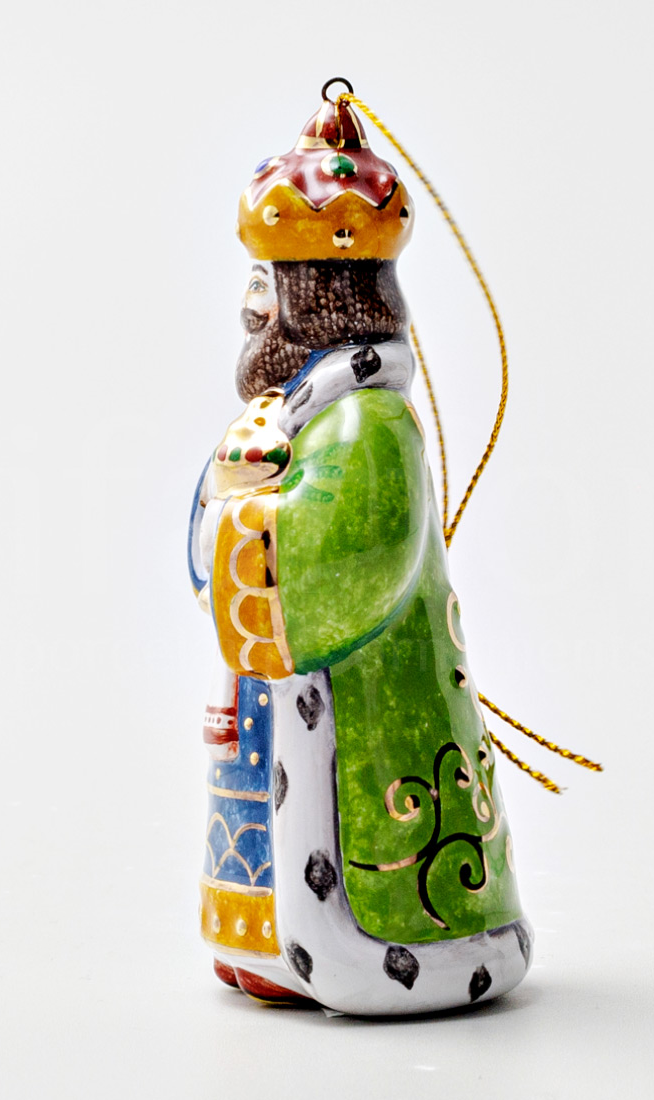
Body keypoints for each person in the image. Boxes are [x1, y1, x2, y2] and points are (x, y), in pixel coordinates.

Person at [187, 93, 532, 1015]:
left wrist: (245, 512)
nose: (251, 309)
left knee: (349, 820)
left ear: (311, 298)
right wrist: (232, 494)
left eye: (267, 289)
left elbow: (352, 568)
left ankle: (391, 943)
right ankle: (261, 938)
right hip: (272, 697)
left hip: (367, 707)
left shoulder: (366, 422)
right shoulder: (292, 413)